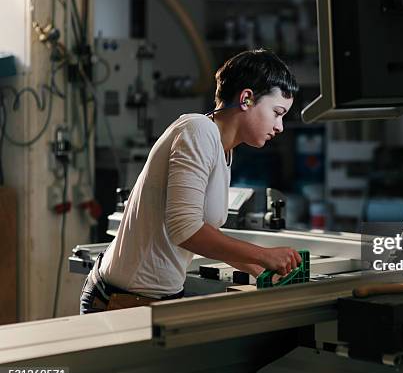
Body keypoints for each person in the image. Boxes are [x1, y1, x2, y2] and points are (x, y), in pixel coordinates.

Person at [80, 49, 301, 314]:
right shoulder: (199, 130)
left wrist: (256, 268)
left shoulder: (222, 149)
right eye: (277, 112)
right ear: (246, 99)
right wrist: (263, 255)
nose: (280, 126)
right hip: (120, 301)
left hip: (150, 299)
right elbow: (184, 229)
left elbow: (201, 231)